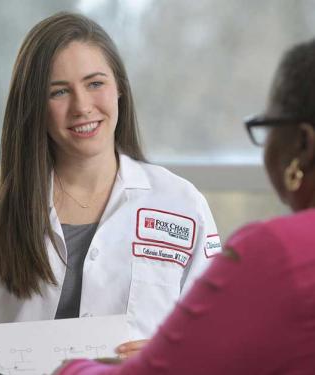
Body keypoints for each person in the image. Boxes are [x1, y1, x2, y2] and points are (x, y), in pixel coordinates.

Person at [0, 12, 220, 375]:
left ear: (120, 89)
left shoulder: (180, 204)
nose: (82, 106)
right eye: (59, 91)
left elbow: (224, 335)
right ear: (34, 105)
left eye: (95, 83)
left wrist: (180, 354)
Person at [55, 38, 315, 375]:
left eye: (265, 128)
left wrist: (70, 367)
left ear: (304, 144)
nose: (82, 106)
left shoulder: (275, 251)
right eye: (59, 91)